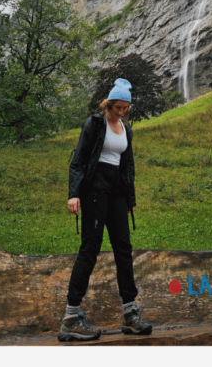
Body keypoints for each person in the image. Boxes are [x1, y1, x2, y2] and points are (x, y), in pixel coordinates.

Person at [58, 78, 153, 342]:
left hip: (117, 193)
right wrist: (74, 194)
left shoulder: (126, 128)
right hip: (94, 190)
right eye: (117, 107)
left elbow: (128, 165)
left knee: (124, 248)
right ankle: (70, 319)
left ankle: (131, 314)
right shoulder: (95, 124)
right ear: (108, 104)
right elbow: (78, 161)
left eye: (125, 108)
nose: (121, 112)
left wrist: (130, 198)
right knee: (90, 248)